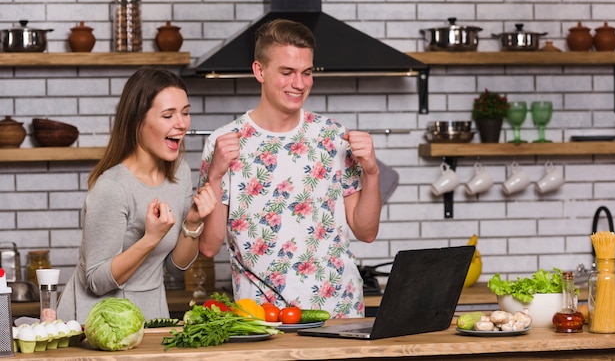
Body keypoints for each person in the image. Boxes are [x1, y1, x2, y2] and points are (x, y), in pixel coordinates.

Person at [197, 19, 382, 318]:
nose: (299, 84)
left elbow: (366, 231)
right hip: (263, 317)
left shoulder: (333, 136)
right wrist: (215, 176)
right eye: (287, 73)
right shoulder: (223, 143)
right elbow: (208, 245)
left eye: (306, 73)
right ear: (259, 71)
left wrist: (372, 173)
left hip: (340, 312)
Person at [57, 67, 217, 324]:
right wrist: (150, 238)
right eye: (168, 115)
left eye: (185, 112)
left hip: (151, 318)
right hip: (99, 323)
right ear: (137, 121)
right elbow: (96, 281)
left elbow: (176, 267)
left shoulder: (179, 173)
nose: (182, 123)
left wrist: (193, 222)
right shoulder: (112, 188)